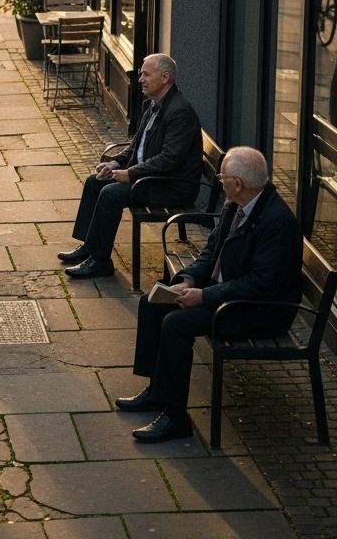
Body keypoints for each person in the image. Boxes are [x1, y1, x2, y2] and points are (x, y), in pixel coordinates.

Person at [116, 147, 302, 443]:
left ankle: (176, 418)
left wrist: (204, 296)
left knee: (177, 323)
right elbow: (210, 253)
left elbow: (260, 285)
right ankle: (157, 392)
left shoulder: (276, 222)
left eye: (222, 177)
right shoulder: (235, 205)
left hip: (259, 310)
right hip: (226, 295)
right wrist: (187, 279)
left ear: (237, 184)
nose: (219, 182)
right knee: (152, 301)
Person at [60, 54, 203, 280]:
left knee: (111, 194)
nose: (140, 79)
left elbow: (170, 159)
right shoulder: (153, 104)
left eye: (147, 74)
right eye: (140, 74)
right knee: (94, 182)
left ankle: (100, 261)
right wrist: (116, 162)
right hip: (153, 177)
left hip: (172, 185)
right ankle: (90, 246)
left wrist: (130, 173)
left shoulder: (179, 112)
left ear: (165, 78)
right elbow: (137, 146)